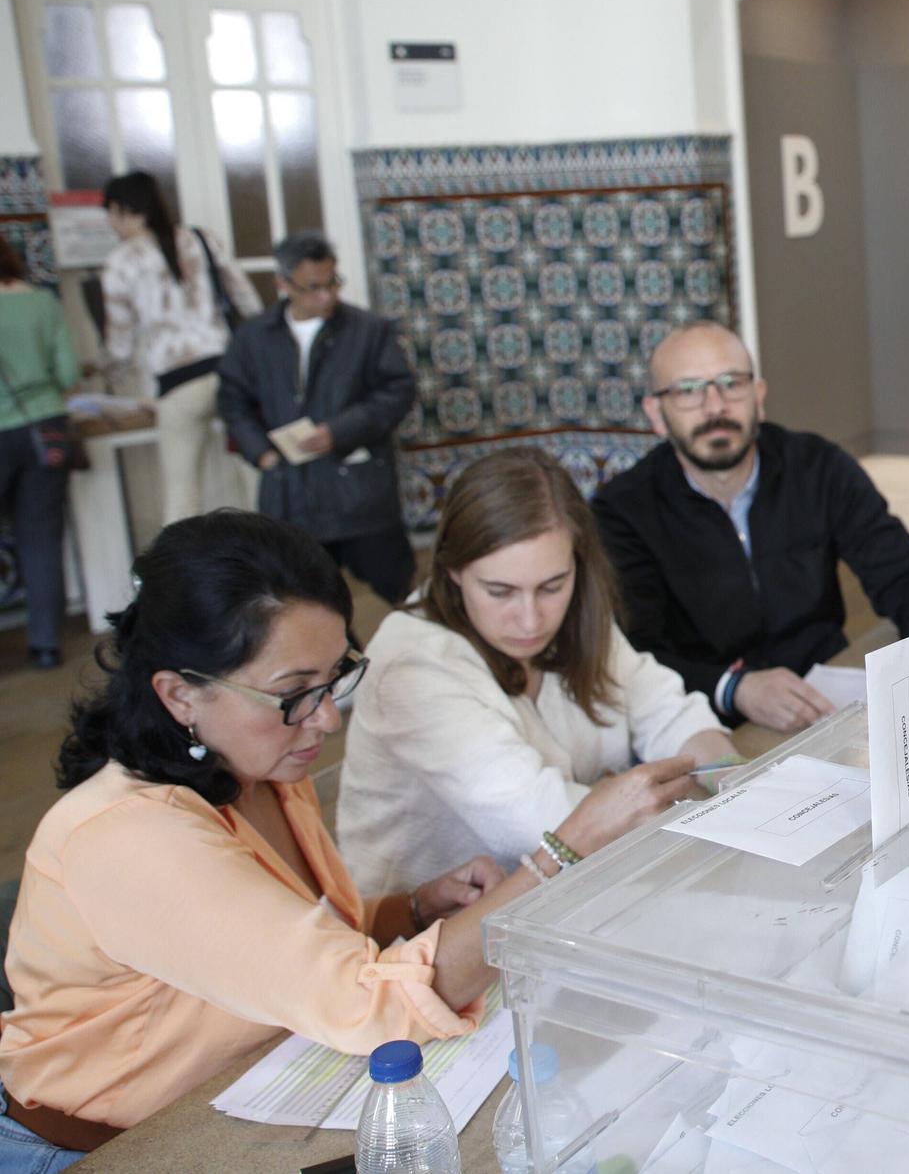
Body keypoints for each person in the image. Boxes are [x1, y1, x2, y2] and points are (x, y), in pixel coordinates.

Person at [0, 511, 542, 1163]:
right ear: (179, 695)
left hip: (232, 1102)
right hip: (107, 1150)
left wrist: (414, 909)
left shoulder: (260, 767)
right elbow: (367, 1002)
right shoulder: (126, 837)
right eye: (293, 694)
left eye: (334, 678)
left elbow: (299, 936)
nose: (325, 719)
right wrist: (562, 857)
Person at [339, 447, 735, 896]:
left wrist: (734, 779)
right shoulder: (412, 666)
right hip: (431, 940)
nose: (530, 621)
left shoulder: (575, 615)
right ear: (451, 571)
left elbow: (663, 707)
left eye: (552, 586)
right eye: (499, 591)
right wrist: (711, 820)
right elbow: (543, 825)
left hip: (571, 891)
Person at [593, 322, 909, 733]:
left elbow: (907, 577)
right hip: (707, 720)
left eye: (731, 383)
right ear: (656, 414)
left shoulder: (818, 468)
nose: (715, 407)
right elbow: (634, 652)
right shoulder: (623, 510)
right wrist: (735, 688)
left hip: (828, 699)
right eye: (688, 390)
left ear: (759, 398)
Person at [216, 231, 418, 605]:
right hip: (290, 495)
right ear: (283, 284)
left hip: (360, 494)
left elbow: (399, 392)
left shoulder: (368, 331)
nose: (327, 297)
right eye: (313, 287)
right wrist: (262, 453)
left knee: (398, 590)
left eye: (332, 283)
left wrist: (339, 431)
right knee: (304, 600)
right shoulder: (254, 338)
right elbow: (232, 401)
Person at [99, 172, 261, 526]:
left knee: (182, 495)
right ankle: (273, 563)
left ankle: (180, 577)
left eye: (110, 215)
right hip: (229, 371)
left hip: (178, 384)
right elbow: (247, 300)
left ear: (120, 209)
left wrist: (106, 377)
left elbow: (121, 344)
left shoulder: (120, 262)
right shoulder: (200, 239)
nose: (111, 224)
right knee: (256, 473)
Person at [0, 240, 80, 669]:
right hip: (45, 430)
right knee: (41, 539)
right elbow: (67, 371)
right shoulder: (41, 303)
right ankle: (46, 645)